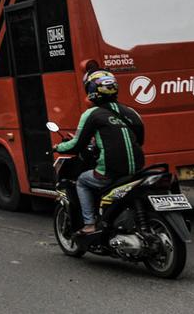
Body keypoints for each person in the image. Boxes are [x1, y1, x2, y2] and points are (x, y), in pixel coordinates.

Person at [54, 70, 145, 234]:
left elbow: (76, 145)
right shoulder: (132, 112)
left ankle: (89, 224)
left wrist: (58, 147)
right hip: (137, 169)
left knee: (82, 180)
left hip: (110, 170)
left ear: (91, 91)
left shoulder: (91, 114)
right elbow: (139, 140)